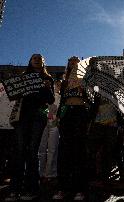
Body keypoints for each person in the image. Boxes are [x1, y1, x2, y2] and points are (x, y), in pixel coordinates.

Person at [5, 54, 55, 201]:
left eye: (39, 58)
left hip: (38, 118)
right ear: (30, 61)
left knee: (32, 151)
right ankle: (14, 189)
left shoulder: (48, 79)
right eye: (34, 58)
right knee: (20, 151)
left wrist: (46, 88)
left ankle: (31, 188)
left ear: (43, 62)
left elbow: (51, 100)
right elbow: (13, 95)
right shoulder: (22, 77)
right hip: (22, 118)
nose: (37, 59)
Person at [52, 56, 90, 201]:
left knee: (79, 151)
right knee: (64, 151)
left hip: (80, 113)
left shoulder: (86, 78)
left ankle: (79, 189)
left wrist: (84, 89)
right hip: (67, 114)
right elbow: (60, 100)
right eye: (70, 61)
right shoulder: (64, 81)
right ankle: (62, 188)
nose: (73, 63)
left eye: (75, 61)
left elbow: (92, 97)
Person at [38, 80, 61, 182]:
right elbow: (41, 108)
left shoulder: (61, 97)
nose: (57, 87)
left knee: (53, 149)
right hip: (43, 124)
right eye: (56, 85)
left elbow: (61, 109)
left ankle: (50, 173)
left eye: (59, 85)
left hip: (54, 125)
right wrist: (47, 113)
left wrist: (58, 118)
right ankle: (41, 172)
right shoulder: (45, 95)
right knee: (41, 149)